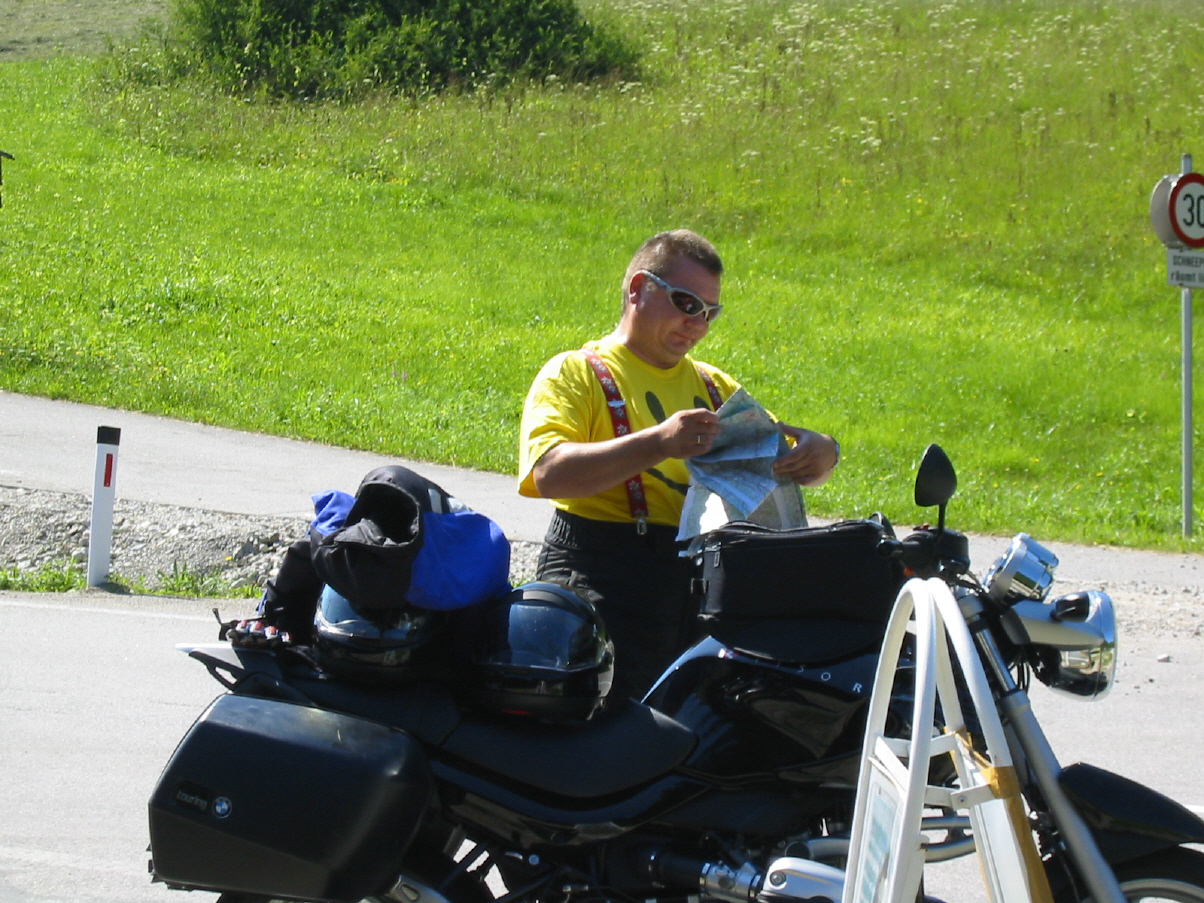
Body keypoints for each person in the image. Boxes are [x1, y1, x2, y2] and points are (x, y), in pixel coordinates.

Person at [517, 229, 840, 700]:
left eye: (710, 313)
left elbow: (794, 461)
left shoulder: (714, 386)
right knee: (603, 724)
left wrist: (822, 452)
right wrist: (659, 443)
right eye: (686, 304)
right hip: (600, 571)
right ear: (637, 289)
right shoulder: (576, 373)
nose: (698, 325)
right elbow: (549, 474)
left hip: (695, 584)